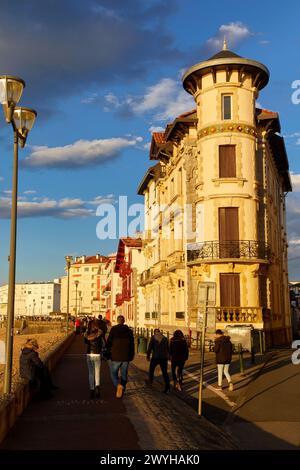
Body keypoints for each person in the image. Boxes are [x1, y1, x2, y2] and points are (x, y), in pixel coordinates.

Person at [105, 315, 134, 398]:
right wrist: (131, 356)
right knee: (124, 375)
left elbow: (109, 343)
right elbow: (132, 345)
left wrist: (108, 353)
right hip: (125, 356)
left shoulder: (114, 329)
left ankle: (118, 386)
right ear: (124, 321)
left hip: (115, 356)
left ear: (117, 321)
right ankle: (122, 391)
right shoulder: (129, 331)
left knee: (113, 373)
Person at [84, 320, 105, 399]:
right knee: (97, 373)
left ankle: (92, 390)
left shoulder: (88, 334)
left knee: (91, 373)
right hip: (97, 354)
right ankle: (98, 389)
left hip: (89, 354)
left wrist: (87, 330)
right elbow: (103, 344)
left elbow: (85, 341)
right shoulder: (99, 333)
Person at [146, 329, 170, 393]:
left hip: (155, 357)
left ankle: (150, 382)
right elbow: (168, 348)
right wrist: (169, 357)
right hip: (163, 358)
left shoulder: (153, 338)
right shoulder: (165, 338)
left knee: (151, 369)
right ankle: (167, 386)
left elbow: (150, 348)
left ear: (154, 332)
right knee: (165, 372)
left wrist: (148, 356)